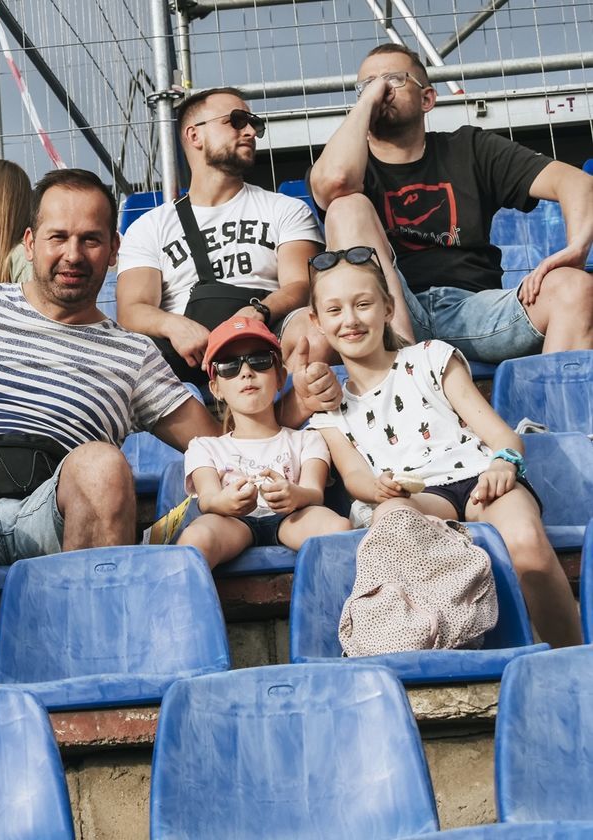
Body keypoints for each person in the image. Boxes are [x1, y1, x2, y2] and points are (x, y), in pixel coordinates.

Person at [0, 169, 219, 578]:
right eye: (58, 237)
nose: (73, 255)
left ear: (114, 249)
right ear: (30, 243)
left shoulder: (134, 353)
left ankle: (94, 637)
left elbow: (218, 444)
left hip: (56, 514)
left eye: (91, 239)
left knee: (102, 464)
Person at [304, 245, 582, 647]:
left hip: (477, 479)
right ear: (317, 322)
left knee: (526, 545)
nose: (350, 319)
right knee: (393, 517)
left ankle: (571, 656)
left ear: (386, 307)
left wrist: (503, 464)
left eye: (363, 304)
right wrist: (379, 488)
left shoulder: (431, 358)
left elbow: (503, 436)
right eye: (334, 310)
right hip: (417, 496)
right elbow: (355, 477)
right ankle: (431, 647)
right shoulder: (330, 412)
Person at [308, 43, 593, 363]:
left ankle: (547, 412)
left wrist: (577, 248)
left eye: (394, 79)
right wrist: (366, 104)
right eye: (368, 84)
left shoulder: (470, 148)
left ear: (427, 98)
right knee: (347, 206)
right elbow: (335, 183)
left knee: (575, 287)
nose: (381, 89)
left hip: (473, 311)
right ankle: (404, 377)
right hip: (387, 313)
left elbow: (578, 183)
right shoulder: (351, 166)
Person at [117, 87, 324, 389]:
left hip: (269, 335)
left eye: (255, 124)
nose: (251, 131)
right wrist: (173, 325)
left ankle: (280, 422)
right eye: (236, 121)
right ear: (194, 136)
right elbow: (132, 309)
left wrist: (258, 312)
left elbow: (303, 286)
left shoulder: (285, 209)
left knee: (316, 332)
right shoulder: (150, 226)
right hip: (188, 353)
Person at [177, 317, 350, 568]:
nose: (246, 372)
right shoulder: (204, 447)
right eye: (229, 366)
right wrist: (226, 502)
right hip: (232, 522)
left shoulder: (308, 439)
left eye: (260, 360)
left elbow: (314, 493)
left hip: (293, 518)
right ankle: (182, 608)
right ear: (216, 389)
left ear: (280, 377)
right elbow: (208, 499)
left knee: (339, 527)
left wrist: (295, 495)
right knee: (195, 539)